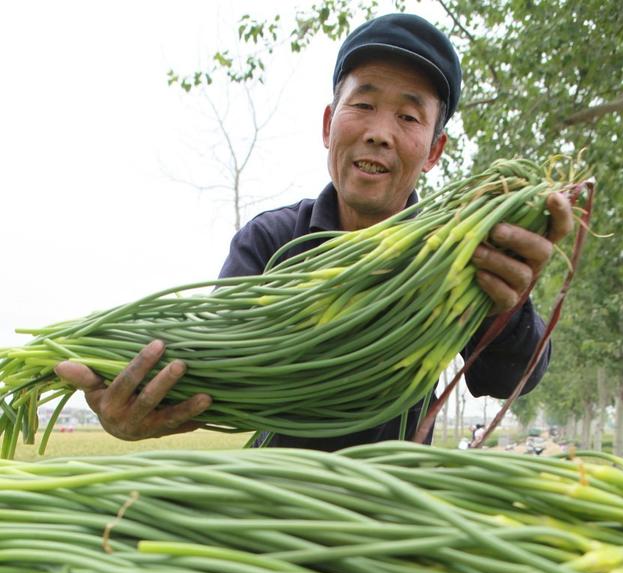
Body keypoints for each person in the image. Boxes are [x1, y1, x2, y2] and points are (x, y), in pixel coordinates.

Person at [54, 13, 573, 448]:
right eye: (363, 105)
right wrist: (136, 408)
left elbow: (506, 378)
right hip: (271, 515)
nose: (378, 133)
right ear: (329, 124)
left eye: (409, 118)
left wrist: (512, 302)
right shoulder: (270, 241)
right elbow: (212, 370)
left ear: (434, 151)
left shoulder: (461, 254)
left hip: (395, 521)